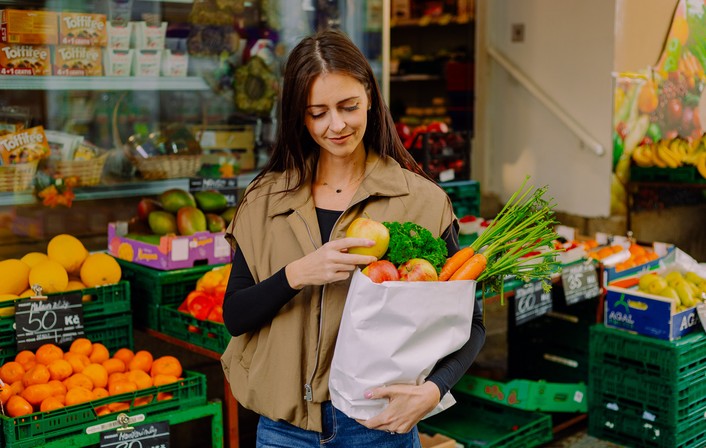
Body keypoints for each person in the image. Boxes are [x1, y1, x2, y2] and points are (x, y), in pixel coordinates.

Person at [221, 28, 486, 448]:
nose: (337, 125)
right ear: (298, 116)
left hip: (380, 429)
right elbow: (236, 316)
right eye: (318, 112)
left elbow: (471, 323)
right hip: (283, 431)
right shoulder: (264, 201)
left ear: (370, 99)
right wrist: (297, 274)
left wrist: (432, 392)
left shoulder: (420, 201)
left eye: (349, 107)